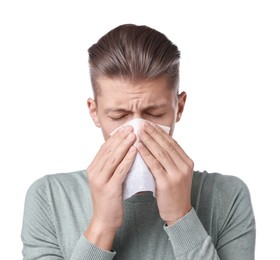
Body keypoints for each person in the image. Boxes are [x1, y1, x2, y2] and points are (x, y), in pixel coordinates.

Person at [21, 24, 256, 260]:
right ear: (95, 113)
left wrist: (181, 217)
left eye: (154, 114)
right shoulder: (49, 198)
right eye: (118, 116)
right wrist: (102, 225)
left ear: (179, 108)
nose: (138, 131)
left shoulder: (227, 196)